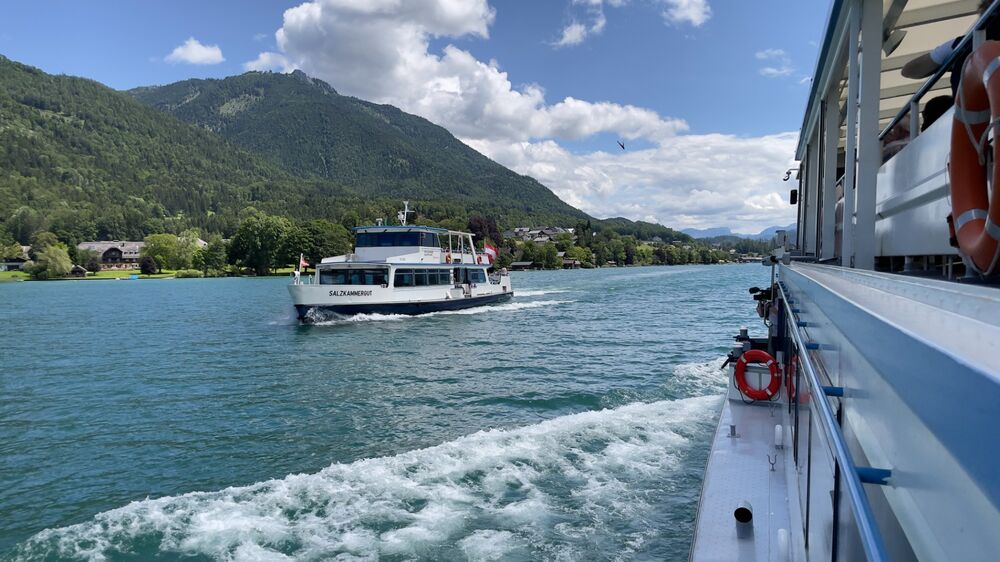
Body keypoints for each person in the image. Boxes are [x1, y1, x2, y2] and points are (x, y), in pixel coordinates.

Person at [902, 1, 1000, 96]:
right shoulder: (965, 43)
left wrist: (952, 63)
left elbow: (909, 71)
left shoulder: (964, 44)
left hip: (973, 109)